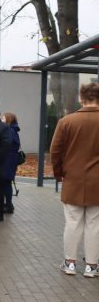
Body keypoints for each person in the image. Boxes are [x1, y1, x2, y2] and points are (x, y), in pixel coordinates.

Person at [50, 83, 99, 278]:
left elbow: (55, 151)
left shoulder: (66, 121)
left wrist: (58, 172)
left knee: (72, 222)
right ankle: (92, 266)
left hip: (73, 178)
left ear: (81, 98)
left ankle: (70, 263)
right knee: (94, 224)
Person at [1, 112, 21, 213]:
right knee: (7, 182)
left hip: (8, 160)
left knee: (6, 182)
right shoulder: (13, 130)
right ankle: (8, 204)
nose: (2, 120)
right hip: (11, 160)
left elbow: (7, 145)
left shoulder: (10, 130)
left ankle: (8, 204)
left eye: (3, 118)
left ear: (8, 120)